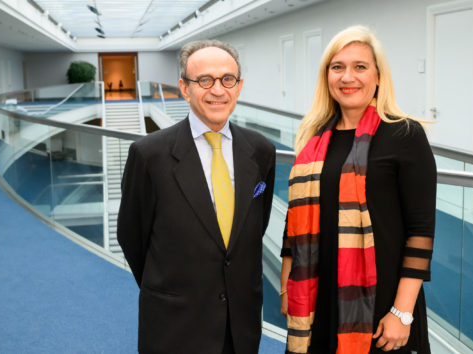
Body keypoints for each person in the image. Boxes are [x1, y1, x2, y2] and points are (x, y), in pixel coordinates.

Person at [279, 26, 436, 354]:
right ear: (327, 77)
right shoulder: (314, 140)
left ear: (378, 76)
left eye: (360, 67)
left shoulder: (404, 135)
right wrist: (287, 287)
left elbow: (421, 232)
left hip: (380, 302)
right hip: (318, 297)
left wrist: (402, 312)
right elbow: (293, 224)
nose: (347, 76)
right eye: (338, 67)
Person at [117, 39, 276, 354]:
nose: (218, 90)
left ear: (239, 86)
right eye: (204, 80)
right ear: (184, 88)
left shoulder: (260, 151)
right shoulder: (150, 155)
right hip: (174, 326)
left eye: (227, 79)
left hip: (240, 325)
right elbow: (132, 238)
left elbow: (254, 228)